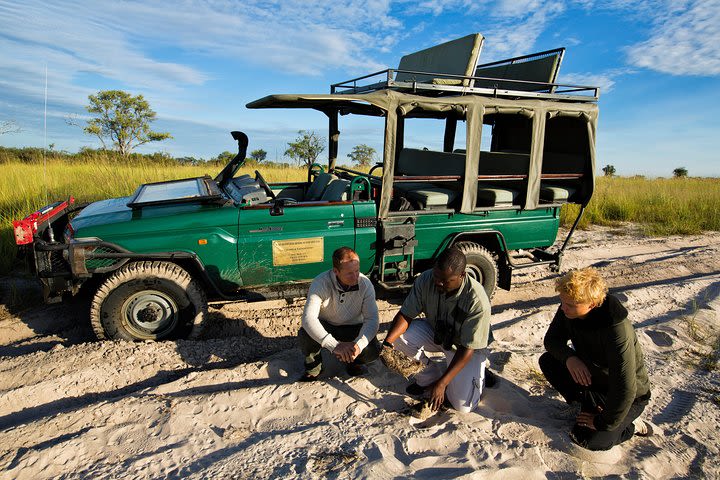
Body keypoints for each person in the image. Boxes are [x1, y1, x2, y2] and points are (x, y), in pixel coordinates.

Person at [539, 267, 652, 451]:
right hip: (597, 381)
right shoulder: (569, 308)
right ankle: (586, 406)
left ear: (591, 304)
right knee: (549, 361)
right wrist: (570, 358)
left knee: (586, 440)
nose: (563, 308)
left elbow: (625, 388)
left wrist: (602, 422)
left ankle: (631, 426)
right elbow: (551, 340)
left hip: (630, 397)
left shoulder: (616, 330)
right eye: (562, 302)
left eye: (569, 305)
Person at [382, 247, 492, 413]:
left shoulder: (477, 300)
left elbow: (468, 348)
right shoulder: (426, 279)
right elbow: (406, 315)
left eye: (446, 280)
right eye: (437, 276)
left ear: (462, 275)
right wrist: (387, 344)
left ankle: (480, 374)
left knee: (463, 407)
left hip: (465, 349)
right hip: (438, 334)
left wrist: (443, 384)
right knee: (398, 337)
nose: (439, 282)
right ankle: (428, 378)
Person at [298, 247, 381, 381]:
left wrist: (358, 346)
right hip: (327, 324)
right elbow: (308, 319)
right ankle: (313, 367)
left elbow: (372, 319)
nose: (355, 277)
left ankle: (353, 361)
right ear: (336, 271)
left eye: (357, 271)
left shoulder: (365, 284)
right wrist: (335, 346)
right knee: (306, 335)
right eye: (349, 273)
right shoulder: (321, 283)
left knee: (371, 351)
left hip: (353, 326)